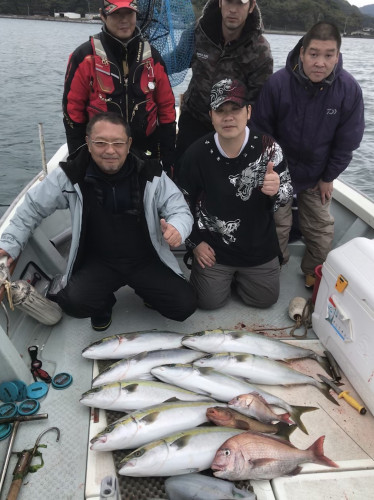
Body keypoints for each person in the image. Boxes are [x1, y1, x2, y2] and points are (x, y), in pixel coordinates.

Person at [0, 113, 197, 330]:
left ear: (129, 143)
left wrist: (177, 228)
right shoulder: (70, 174)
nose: (110, 150)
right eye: (101, 143)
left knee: (184, 306)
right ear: (88, 142)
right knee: (72, 303)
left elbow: (179, 209)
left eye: (118, 143)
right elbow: (32, 207)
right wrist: (8, 245)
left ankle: (146, 290)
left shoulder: (150, 173)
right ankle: (103, 303)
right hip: (98, 261)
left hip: (145, 259)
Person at [251, 21, 365, 288]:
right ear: (302, 53)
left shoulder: (348, 90)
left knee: (321, 228)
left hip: (317, 174)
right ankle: (273, 267)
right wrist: (273, 175)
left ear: (337, 56)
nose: (320, 63)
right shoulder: (278, 84)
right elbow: (261, 132)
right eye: (314, 54)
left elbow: (347, 142)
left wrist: (329, 177)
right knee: (277, 225)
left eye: (328, 55)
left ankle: (314, 271)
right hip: (279, 171)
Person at [178, 79, 293, 310]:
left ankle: (241, 278)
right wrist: (195, 243)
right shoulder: (196, 153)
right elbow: (181, 204)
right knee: (207, 302)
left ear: (248, 112)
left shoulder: (269, 147)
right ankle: (222, 278)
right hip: (214, 248)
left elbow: (287, 193)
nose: (228, 117)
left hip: (258, 247)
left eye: (235, 109)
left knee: (265, 300)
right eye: (220, 111)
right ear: (211, 115)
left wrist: (276, 189)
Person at [62, 0, 176, 173]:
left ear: (136, 15)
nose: (124, 20)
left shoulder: (153, 57)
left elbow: (167, 109)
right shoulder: (84, 56)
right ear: (102, 15)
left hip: (145, 152)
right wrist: (78, 161)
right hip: (102, 155)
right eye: (116, 14)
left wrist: (168, 158)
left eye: (129, 14)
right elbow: (72, 113)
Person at [175, 0, 273, 171]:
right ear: (220, 2)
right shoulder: (198, 30)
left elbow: (257, 103)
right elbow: (177, 61)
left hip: (231, 128)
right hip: (193, 119)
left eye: (240, 4)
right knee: (183, 175)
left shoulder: (260, 50)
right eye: (228, 2)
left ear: (251, 6)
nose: (233, 10)